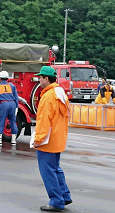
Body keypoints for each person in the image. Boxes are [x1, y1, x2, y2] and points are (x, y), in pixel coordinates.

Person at [33, 66, 72, 212]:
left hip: (47, 140)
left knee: (48, 171)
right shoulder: (60, 93)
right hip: (58, 138)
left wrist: (38, 139)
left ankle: (56, 200)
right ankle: (64, 195)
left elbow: (44, 120)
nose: (39, 80)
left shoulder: (48, 97)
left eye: (40, 77)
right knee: (55, 169)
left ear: (46, 79)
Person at [0, 71, 19, 147]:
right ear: (7, 78)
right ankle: (14, 140)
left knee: (2, 121)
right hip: (12, 104)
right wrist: (17, 107)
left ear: (0, 78)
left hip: (4, 104)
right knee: (12, 121)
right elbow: (16, 97)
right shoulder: (12, 86)